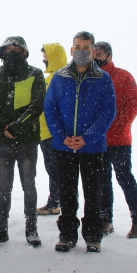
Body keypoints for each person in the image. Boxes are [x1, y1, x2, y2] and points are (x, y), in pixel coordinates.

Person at [44, 31, 116, 253]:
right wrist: (61, 135)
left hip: (92, 148)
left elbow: (108, 112)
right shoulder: (59, 77)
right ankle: (67, 235)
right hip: (63, 147)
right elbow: (50, 107)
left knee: (93, 194)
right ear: (72, 49)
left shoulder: (103, 79)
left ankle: (93, 236)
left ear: (93, 51)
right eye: (78, 47)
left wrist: (87, 138)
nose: (81, 51)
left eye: (86, 48)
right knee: (66, 194)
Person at [0, 36, 46, 247]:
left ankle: (32, 228)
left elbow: (37, 105)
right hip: (1, 140)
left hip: (27, 139)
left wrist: (17, 126)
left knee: (29, 185)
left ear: (25, 52)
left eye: (16, 48)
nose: (12, 51)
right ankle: (1, 229)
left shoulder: (35, 74)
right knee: (4, 186)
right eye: (8, 48)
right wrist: (3, 126)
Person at [93, 41, 137, 238]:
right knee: (103, 182)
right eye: (94, 53)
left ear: (109, 56)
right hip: (98, 141)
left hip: (120, 141)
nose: (96, 57)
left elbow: (134, 105)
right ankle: (106, 219)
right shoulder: (92, 77)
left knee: (125, 179)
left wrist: (117, 126)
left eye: (99, 54)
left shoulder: (124, 76)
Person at [37, 43, 67, 216]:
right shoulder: (50, 77)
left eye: (46, 56)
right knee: (53, 170)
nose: (44, 59)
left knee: (58, 171)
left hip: (54, 133)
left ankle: (58, 203)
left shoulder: (61, 77)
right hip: (45, 132)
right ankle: (55, 201)